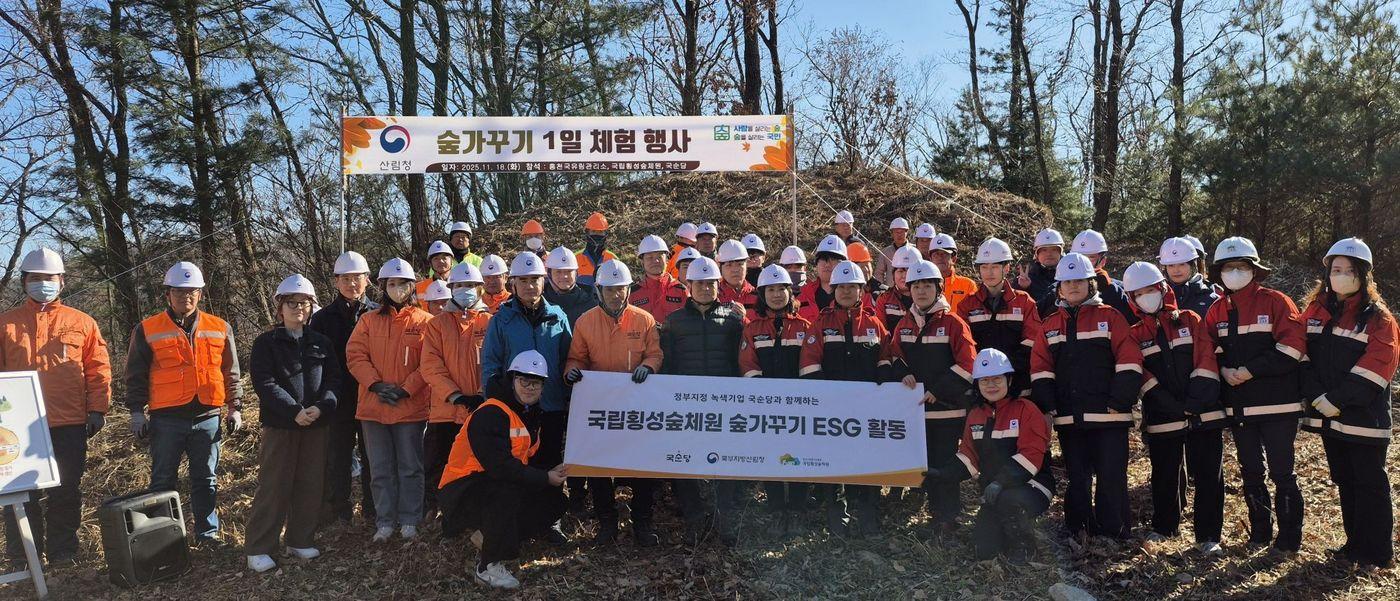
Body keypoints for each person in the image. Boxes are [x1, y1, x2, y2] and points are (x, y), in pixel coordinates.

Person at [0, 248, 110, 564]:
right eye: (35, 278)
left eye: (48, 278)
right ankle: (24, 555)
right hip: (17, 428)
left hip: (70, 422)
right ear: (24, 282)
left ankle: (63, 552)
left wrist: (98, 409)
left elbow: (98, 369)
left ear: (61, 281)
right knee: (20, 493)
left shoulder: (83, 323)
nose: (42, 283)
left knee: (66, 489)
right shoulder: (6, 325)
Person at [125, 261, 243, 546]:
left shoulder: (220, 327)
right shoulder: (147, 329)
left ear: (200, 294)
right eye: (179, 292)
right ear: (168, 294)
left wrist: (235, 407)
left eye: (192, 292)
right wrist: (136, 413)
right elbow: (135, 374)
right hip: (166, 419)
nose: (185, 297)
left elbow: (231, 371)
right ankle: (164, 542)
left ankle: (207, 534)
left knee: (206, 479)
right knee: (163, 482)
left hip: (208, 415)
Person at [1030, 252, 1142, 542]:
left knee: (1111, 475)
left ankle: (1113, 531)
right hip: (1070, 417)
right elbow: (1040, 366)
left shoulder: (1111, 317)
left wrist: (1119, 401)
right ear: (1059, 288)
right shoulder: (1050, 324)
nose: (1073, 286)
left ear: (1091, 284)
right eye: (1067, 282)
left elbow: (1129, 361)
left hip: (1110, 416)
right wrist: (1049, 403)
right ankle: (1078, 527)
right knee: (1077, 477)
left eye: (1079, 280)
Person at [1204, 236, 1306, 552]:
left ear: (1254, 269)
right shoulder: (1216, 309)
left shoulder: (1276, 301)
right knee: (1251, 472)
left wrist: (1250, 370)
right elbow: (1208, 349)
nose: (1235, 272)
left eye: (1241, 267)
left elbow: (1293, 346)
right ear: (1218, 272)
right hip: (1240, 407)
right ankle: (1259, 535)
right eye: (1228, 268)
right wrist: (1221, 371)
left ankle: (1288, 541)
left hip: (1279, 405)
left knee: (1282, 472)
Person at [1300, 237, 1397, 569]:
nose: (1340, 275)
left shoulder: (1379, 318)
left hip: (1364, 418)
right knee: (1344, 478)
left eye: (1349, 270)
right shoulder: (1315, 311)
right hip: (1329, 417)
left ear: (1364, 275)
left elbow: (1379, 364)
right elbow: (1303, 356)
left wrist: (1337, 399)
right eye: (1335, 269)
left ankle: (1379, 552)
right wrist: (1316, 397)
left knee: (1370, 482)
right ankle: (1354, 545)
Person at [437, 350, 568, 590]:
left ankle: (491, 537)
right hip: (461, 491)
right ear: (512, 380)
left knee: (553, 500)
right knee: (506, 490)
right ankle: (488, 566)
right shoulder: (491, 413)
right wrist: (543, 477)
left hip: (490, 484)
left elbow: (528, 458)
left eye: (536, 383)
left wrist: (552, 472)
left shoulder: (528, 412)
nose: (530, 387)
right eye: (524, 381)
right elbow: (500, 468)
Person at [1122, 262, 1227, 555]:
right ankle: (1165, 527)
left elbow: (1205, 358)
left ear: (1163, 289)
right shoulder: (1134, 334)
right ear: (1131, 299)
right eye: (1138, 293)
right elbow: (1140, 372)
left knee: (1208, 474)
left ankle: (1208, 536)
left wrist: (1198, 398)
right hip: (1162, 416)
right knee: (1165, 473)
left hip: (1204, 412)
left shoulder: (1192, 320)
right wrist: (1166, 402)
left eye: (1150, 290)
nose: (1146, 296)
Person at [563, 259, 663, 547]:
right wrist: (570, 372)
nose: (616, 294)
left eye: (621, 289)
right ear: (598, 291)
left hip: (637, 407)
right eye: (610, 290)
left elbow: (655, 354)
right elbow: (575, 359)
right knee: (598, 467)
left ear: (629, 290)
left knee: (643, 467)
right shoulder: (585, 322)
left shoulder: (644, 320)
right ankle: (607, 524)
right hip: (600, 408)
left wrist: (650, 367)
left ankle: (642, 523)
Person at [244, 275, 340, 572]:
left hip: (316, 424)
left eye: (304, 303)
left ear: (311, 307)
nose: (298, 308)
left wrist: (322, 407)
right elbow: (265, 382)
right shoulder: (267, 343)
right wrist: (293, 410)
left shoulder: (321, 342)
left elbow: (335, 380)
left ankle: (299, 539)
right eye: (291, 303)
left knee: (310, 483)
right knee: (274, 485)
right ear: (279, 307)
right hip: (281, 425)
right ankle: (260, 547)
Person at [926, 348, 1053, 564]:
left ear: (1009, 380)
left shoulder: (1027, 410)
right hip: (994, 493)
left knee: (1011, 502)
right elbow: (968, 457)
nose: (991, 385)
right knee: (984, 550)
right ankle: (1004, 532)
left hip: (1032, 487)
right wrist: (941, 473)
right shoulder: (976, 415)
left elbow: (1031, 457)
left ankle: (1024, 546)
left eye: (997, 379)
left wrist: (1000, 482)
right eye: (984, 380)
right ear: (977, 384)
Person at [480, 253, 573, 544]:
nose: (530, 286)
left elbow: (568, 359)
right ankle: (518, 522)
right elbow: (491, 364)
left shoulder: (558, 317)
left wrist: (572, 395)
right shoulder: (502, 319)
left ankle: (549, 521)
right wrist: (499, 401)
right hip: (516, 409)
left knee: (550, 463)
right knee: (519, 466)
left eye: (535, 280)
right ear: (514, 283)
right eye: (524, 280)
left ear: (543, 281)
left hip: (552, 405)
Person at [883, 260, 976, 532]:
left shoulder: (954, 323)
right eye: (916, 286)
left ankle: (947, 516)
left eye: (927, 285)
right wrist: (902, 373)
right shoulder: (905, 324)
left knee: (944, 463)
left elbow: (968, 365)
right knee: (922, 462)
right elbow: (893, 353)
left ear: (939, 288)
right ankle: (932, 512)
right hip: (915, 412)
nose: (921, 291)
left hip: (947, 411)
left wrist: (939, 390)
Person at [345, 258, 433, 542]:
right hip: (374, 407)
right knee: (380, 469)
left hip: (410, 407)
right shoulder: (368, 321)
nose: (397, 289)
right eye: (392, 284)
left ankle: (410, 520)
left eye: (403, 284)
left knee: (410, 467)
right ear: (383, 287)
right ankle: (385, 521)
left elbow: (429, 362)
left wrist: (407, 389)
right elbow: (356, 356)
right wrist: (375, 384)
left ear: (412, 287)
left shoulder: (425, 322)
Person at [799, 260, 889, 536]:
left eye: (853, 286)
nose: (847, 291)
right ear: (833, 290)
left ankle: (868, 514)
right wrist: (829, 397)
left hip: (867, 412)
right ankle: (838, 517)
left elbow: (886, 360)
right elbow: (809, 365)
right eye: (842, 287)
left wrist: (885, 388)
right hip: (831, 411)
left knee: (868, 463)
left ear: (862, 290)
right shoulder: (820, 325)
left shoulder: (875, 325)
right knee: (834, 463)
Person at [661, 257, 746, 544]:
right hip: (686, 406)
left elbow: (740, 361)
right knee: (684, 462)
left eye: (711, 283)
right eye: (701, 283)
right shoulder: (673, 322)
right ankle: (694, 517)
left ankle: (724, 516)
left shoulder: (733, 320)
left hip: (724, 404)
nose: (707, 288)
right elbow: (668, 365)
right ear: (689, 285)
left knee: (727, 461)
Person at [739, 265, 813, 536]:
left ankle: (797, 510)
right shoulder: (753, 329)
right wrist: (764, 395)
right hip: (765, 408)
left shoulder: (805, 327)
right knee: (770, 458)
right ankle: (776, 510)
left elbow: (810, 364)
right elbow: (747, 364)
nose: (777, 294)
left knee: (798, 458)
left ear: (789, 292)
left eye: (781, 289)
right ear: (762, 294)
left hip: (799, 409)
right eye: (770, 289)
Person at [420, 261, 492, 523]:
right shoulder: (437, 325)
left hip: (481, 408)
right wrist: (455, 395)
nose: (466, 290)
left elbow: (497, 361)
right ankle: (440, 509)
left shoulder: (490, 321)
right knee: (441, 462)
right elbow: (430, 366)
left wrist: (482, 394)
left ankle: (474, 512)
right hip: (445, 410)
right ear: (451, 288)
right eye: (460, 285)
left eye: (471, 285)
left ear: (480, 289)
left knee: (478, 463)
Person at [311, 251, 378, 526]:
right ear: (337, 281)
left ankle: (374, 509)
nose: (352, 284)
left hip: (371, 394)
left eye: (357, 278)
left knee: (373, 455)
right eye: (346, 279)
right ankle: (339, 510)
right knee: (338, 456)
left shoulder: (377, 313)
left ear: (367, 280)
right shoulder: (323, 319)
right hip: (337, 398)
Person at [958, 238, 1039, 398]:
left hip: (1017, 386)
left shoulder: (1024, 302)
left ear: (1006, 268)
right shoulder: (967, 304)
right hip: (981, 387)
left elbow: (1032, 342)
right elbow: (963, 347)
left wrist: (1005, 372)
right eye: (984, 267)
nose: (989, 272)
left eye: (995, 266)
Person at [1064, 230, 1136, 325]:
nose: (1084, 263)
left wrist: (1109, 290)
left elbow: (1133, 321)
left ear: (1103, 261)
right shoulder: (1060, 289)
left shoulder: (1119, 289)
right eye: (1079, 258)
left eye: (1091, 258)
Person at [797, 234, 855, 323]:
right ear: (816, 264)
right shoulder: (803, 297)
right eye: (823, 259)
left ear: (844, 265)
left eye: (833, 259)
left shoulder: (854, 296)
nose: (827, 264)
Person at [632, 234, 689, 322]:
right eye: (650, 257)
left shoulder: (681, 290)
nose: (656, 261)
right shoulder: (633, 294)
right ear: (642, 261)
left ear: (667, 259)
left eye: (659, 256)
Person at [1158, 237, 1218, 318]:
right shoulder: (1158, 298)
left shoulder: (1211, 298)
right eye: (1171, 265)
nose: (1176, 270)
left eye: (1182, 264)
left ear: (1193, 265)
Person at [545, 246, 598, 327]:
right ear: (549, 273)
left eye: (569, 271)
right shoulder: (540, 303)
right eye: (558, 272)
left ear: (576, 273)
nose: (564, 276)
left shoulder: (591, 303)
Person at [1015, 228, 1064, 313]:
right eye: (1044, 250)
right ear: (1036, 254)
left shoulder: (1070, 278)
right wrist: (1022, 288)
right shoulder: (1026, 279)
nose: (1049, 254)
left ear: (1061, 252)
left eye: (1054, 249)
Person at [873, 246, 921, 333]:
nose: (904, 276)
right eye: (900, 271)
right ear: (893, 274)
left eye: (909, 271)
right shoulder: (884, 300)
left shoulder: (926, 298)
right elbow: (881, 333)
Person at [929, 233, 979, 310]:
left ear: (954, 259)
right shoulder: (923, 285)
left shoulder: (968, 286)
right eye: (936, 254)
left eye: (944, 254)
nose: (940, 258)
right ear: (931, 259)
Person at [574, 212, 618, 288]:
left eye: (600, 232)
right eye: (593, 231)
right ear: (587, 233)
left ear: (606, 234)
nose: (597, 235)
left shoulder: (613, 259)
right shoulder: (575, 259)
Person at [716, 239, 757, 313]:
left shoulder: (759, 296)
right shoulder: (713, 296)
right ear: (720, 267)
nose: (735, 270)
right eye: (729, 265)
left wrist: (744, 320)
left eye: (740, 264)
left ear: (747, 264)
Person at [416, 241, 456, 309]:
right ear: (430, 263)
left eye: (444, 258)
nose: (441, 261)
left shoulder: (461, 284)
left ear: (451, 261)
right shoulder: (418, 288)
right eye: (436, 258)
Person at [877, 217, 911, 286]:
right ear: (892, 234)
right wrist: (881, 289)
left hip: (911, 291)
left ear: (906, 232)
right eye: (896, 232)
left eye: (902, 232)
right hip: (891, 291)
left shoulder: (914, 251)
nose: (899, 235)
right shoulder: (885, 252)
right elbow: (879, 273)